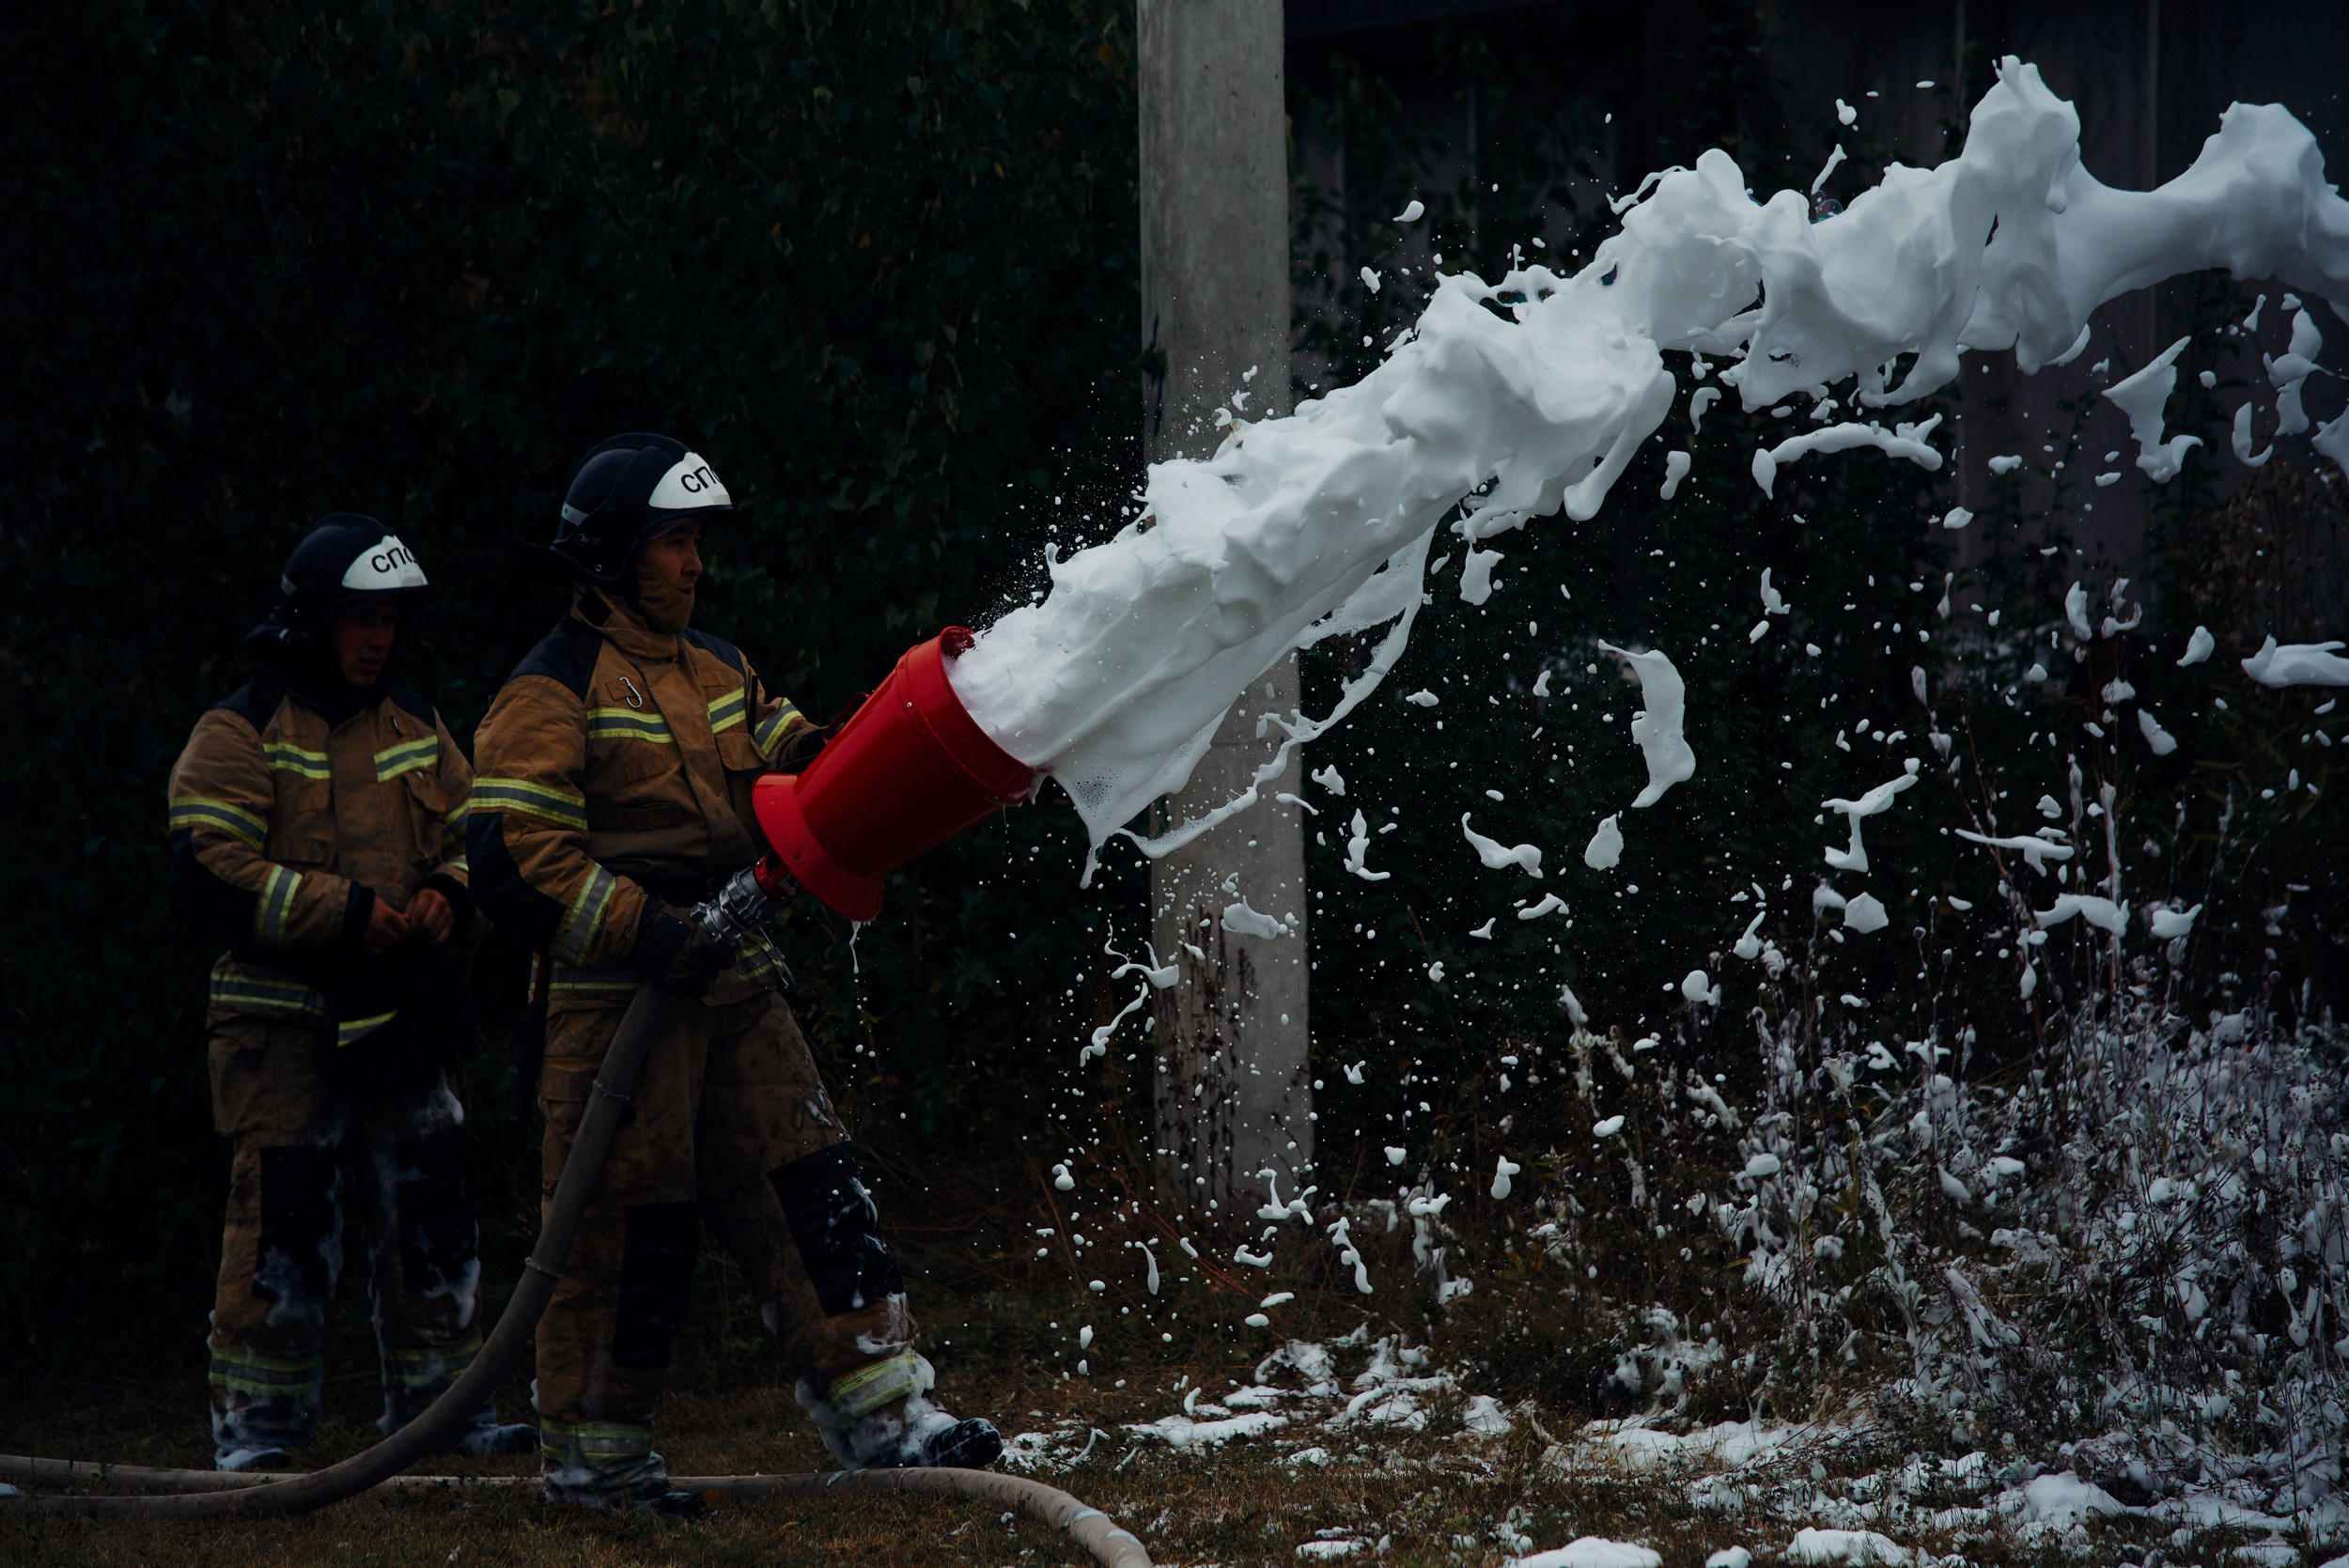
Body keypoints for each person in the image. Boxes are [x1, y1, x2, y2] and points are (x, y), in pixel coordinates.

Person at [468, 433, 1001, 1514]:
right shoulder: (547, 689)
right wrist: (649, 930)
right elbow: (518, 859)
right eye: (673, 541)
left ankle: (892, 1421)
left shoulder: (717, 665)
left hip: (736, 979)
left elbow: (800, 754)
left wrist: (918, 756)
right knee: (628, 1229)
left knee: (814, 1190)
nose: (695, 562)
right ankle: (599, 1463)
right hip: (617, 1000)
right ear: (614, 551)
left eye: (698, 541)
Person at [166, 516, 533, 1471]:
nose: (379, 640)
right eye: (360, 620)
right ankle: (262, 1442)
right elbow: (205, 870)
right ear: (314, 618)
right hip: (281, 1030)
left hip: (402, 1019)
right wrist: (342, 911)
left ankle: (446, 1421)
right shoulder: (237, 731)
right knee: (282, 1232)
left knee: (434, 1220)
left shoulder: (416, 726)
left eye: (391, 623)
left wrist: (451, 892)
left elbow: (475, 832)